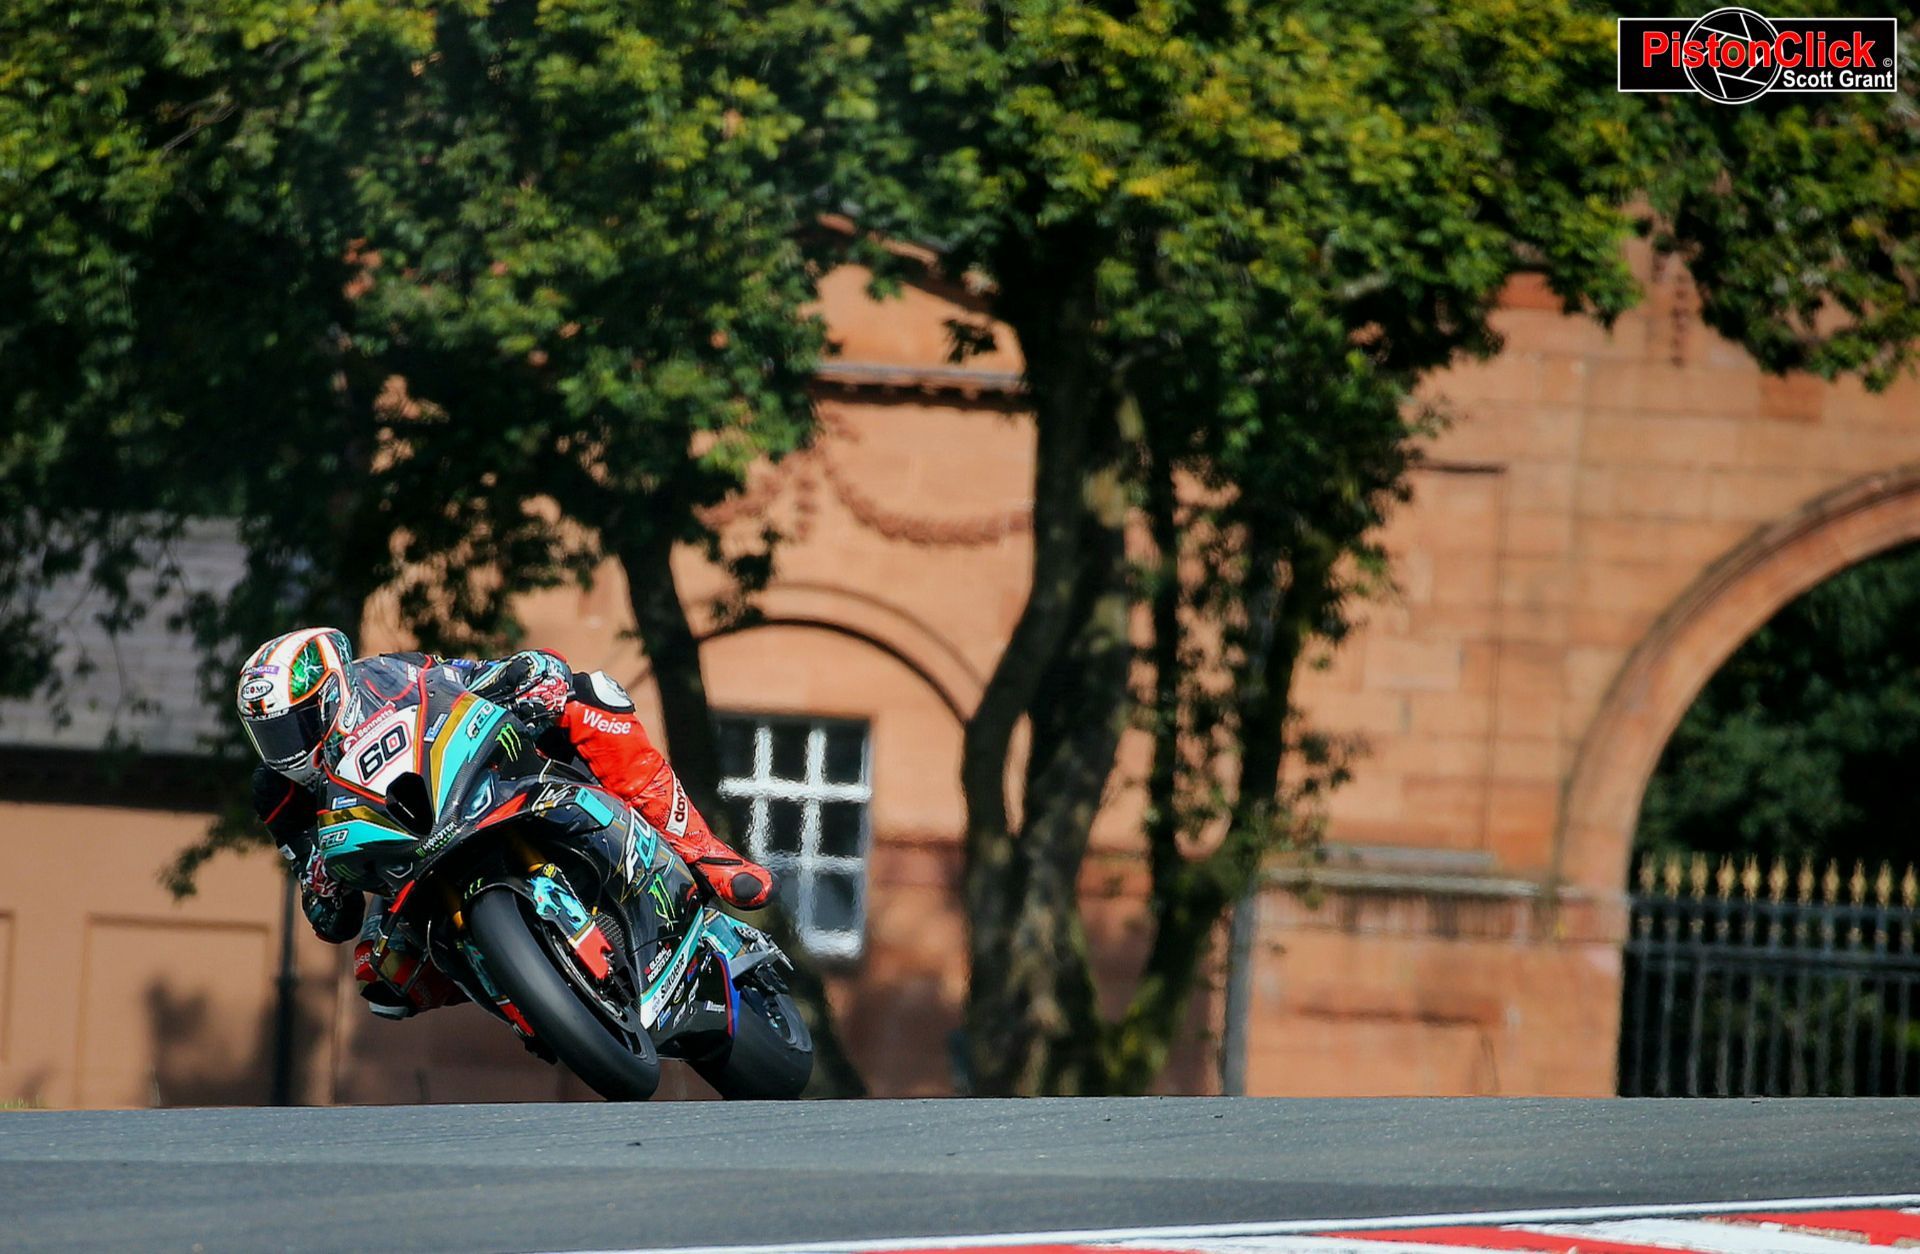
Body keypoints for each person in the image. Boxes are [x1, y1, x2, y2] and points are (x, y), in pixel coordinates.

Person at [236, 626, 772, 1017]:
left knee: (590, 697)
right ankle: (531, 997)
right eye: (273, 736)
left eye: (297, 724)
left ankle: (707, 853)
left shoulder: (386, 675)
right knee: (381, 977)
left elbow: (467, 678)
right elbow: (329, 914)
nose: (287, 748)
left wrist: (526, 675)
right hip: (403, 872)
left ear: (331, 694)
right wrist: (321, 884)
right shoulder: (275, 791)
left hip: (476, 786)